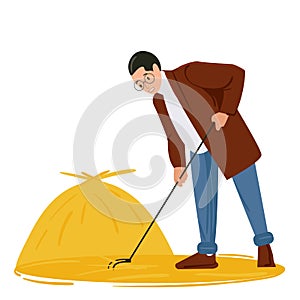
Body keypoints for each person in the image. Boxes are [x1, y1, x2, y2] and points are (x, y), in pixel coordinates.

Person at [128, 51, 275, 269]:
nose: (146, 86)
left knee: (249, 193)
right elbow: (172, 134)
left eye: (147, 78)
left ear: (157, 69)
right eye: (139, 84)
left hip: (229, 142)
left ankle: (265, 248)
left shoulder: (189, 73)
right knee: (204, 201)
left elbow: (236, 74)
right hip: (198, 151)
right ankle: (207, 254)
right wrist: (178, 164)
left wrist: (225, 111)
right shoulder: (158, 101)